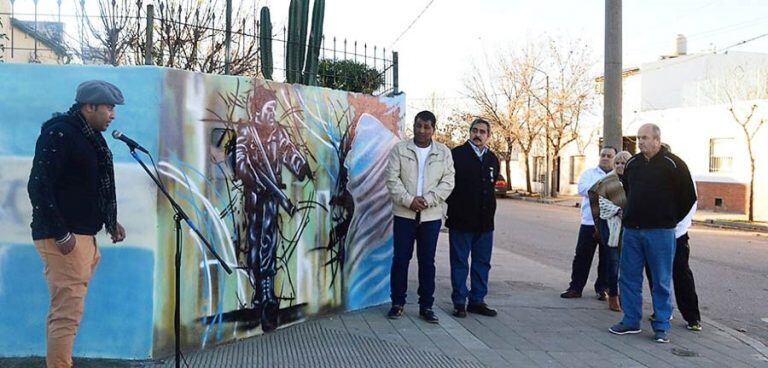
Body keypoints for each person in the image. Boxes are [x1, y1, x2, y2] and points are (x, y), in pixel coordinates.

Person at [27, 80, 127, 367]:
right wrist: (61, 234)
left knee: (66, 311)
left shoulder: (90, 137)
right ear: (89, 106)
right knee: (67, 315)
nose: (113, 114)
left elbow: (84, 187)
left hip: (85, 236)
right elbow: (39, 186)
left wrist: (110, 220)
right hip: (65, 239)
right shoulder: (60, 133)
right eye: (109, 107)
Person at [609, 124, 697, 344]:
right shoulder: (633, 164)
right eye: (638, 138)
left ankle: (661, 326)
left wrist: (669, 218)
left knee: (661, 280)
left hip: (661, 233)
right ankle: (630, 321)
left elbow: (688, 197)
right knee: (628, 277)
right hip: (632, 232)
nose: (640, 142)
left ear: (657, 139)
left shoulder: (674, 164)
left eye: (645, 138)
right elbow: (627, 191)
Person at [234, 86, 311, 332]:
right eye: (268, 108)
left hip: (273, 195)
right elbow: (241, 160)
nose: (272, 113)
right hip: (256, 197)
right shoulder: (246, 130)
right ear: (257, 109)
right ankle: (262, 293)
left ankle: (265, 294)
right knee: (258, 241)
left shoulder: (277, 132)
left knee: (269, 240)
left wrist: (301, 165)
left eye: (274, 109)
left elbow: (289, 151)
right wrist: (255, 181)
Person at [385, 110, 455, 323]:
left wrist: (428, 200)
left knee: (427, 262)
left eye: (426, 127)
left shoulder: (443, 153)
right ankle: (397, 303)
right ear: (413, 126)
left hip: (430, 217)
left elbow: (448, 182)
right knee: (400, 260)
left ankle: (426, 306)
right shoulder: (400, 149)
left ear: (434, 129)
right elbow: (392, 179)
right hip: (404, 215)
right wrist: (409, 200)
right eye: (418, 126)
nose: (421, 130)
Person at [644, 145, 702, 332]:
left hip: (676, 234)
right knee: (655, 274)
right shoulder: (651, 173)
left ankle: (692, 316)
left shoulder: (681, 172)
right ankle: (662, 310)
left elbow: (689, 202)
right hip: (654, 233)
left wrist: (675, 226)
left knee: (681, 273)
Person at [446, 118, 500, 318]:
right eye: (475, 130)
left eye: (482, 132)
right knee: (460, 262)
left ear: (488, 135)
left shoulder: (493, 158)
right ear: (469, 132)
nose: (478, 134)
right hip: (461, 220)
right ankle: (459, 301)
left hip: (485, 222)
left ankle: (477, 300)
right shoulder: (456, 155)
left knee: (482, 263)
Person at [560, 147, 616, 300]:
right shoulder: (589, 174)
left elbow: (618, 196)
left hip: (610, 224)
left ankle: (602, 289)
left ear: (614, 158)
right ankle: (575, 288)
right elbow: (584, 189)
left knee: (607, 259)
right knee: (582, 257)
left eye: (609, 156)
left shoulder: (618, 176)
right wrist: (608, 189)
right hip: (589, 222)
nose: (605, 158)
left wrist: (599, 190)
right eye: (603, 155)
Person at [588, 151, 632, 312]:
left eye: (624, 163)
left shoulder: (634, 181)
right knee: (613, 263)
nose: (620, 166)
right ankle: (612, 295)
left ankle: (626, 296)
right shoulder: (607, 181)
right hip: (611, 227)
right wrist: (618, 211)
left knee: (628, 265)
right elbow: (599, 201)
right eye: (617, 163)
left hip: (630, 229)